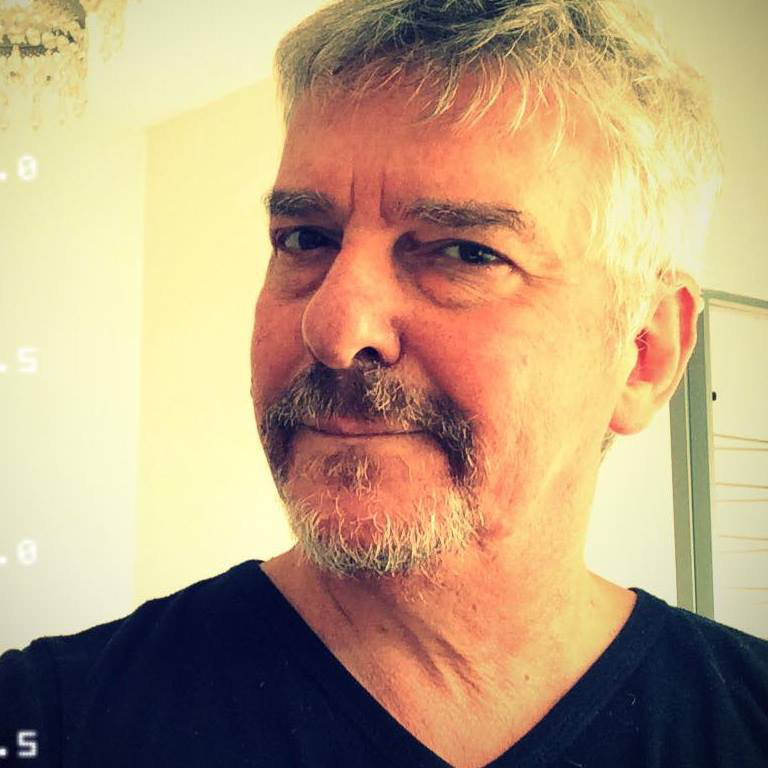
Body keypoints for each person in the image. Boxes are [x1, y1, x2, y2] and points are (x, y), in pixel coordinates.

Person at [2, 1, 766, 766]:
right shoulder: (47, 722)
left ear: (644, 354)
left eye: (464, 252)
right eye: (306, 239)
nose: (334, 329)